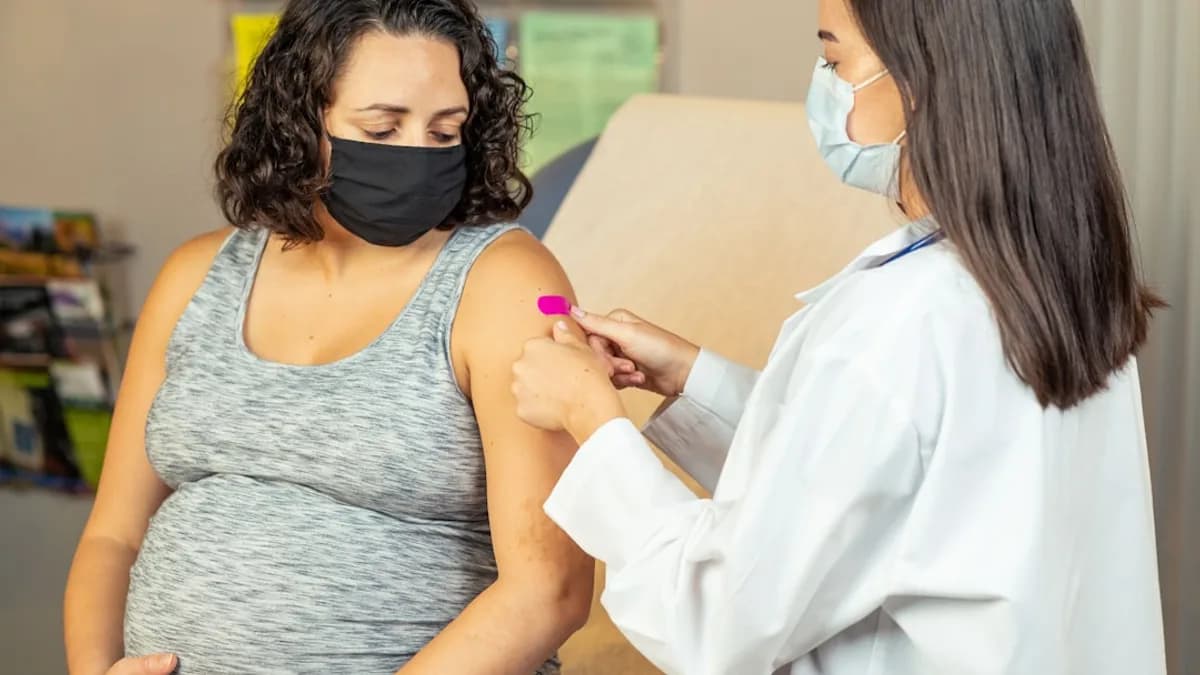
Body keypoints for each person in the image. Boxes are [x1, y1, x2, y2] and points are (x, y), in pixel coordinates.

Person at [510, 0, 1168, 673]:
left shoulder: (900, 322)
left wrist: (593, 422)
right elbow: (887, 480)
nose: (821, 85)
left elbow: (720, 621)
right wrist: (692, 377)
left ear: (923, 79)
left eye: (834, 59)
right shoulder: (1053, 283)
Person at [64, 1, 593, 673]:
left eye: (444, 132)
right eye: (383, 125)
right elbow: (114, 534)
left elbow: (553, 589)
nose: (418, 157)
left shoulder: (504, 283)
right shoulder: (195, 275)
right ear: (299, 122)